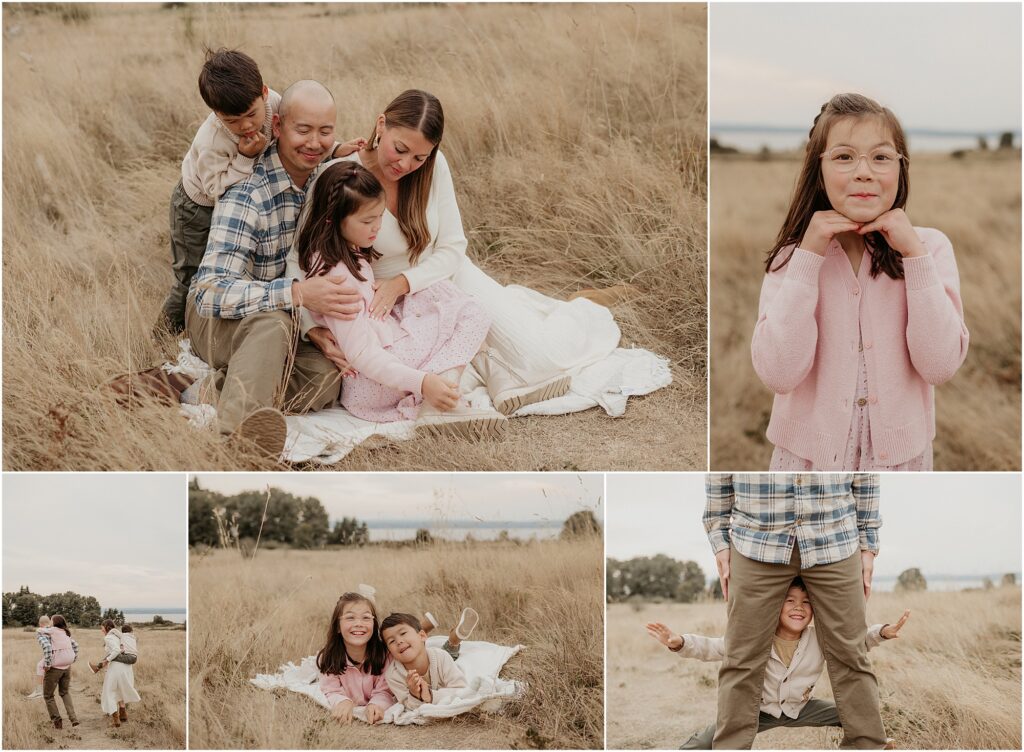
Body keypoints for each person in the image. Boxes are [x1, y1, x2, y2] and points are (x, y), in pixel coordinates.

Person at [289, 89, 623, 419]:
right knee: (414, 363)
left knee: (542, 360)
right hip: (391, 305)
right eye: (400, 149)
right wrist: (310, 328)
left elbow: (452, 248)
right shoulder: (341, 176)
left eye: (419, 157)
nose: (405, 164)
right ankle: (476, 369)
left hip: (444, 275)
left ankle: (559, 319)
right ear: (381, 126)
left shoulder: (435, 167)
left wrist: (403, 282)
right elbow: (299, 257)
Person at [751, 93, 969, 471]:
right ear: (818, 171)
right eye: (844, 157)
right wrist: (809, 255)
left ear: (901, 169)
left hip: (900, 465)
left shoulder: (929, 249)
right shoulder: (794, 258)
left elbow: (940, 366)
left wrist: (914, 255)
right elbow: (778, 374)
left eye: (881, 157)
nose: (864, 172)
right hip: (806, 466)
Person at [186, 80, 365, 457]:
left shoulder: (323, 180)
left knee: (327, 378)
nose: (314, 143)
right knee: (273, 322)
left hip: (281, 318)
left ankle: (204, 390)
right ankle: (237, 447)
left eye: (325, 131)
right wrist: (297, 295)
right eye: (303, 130)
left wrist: (310, 325)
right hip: (215, 319)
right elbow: (209, 291)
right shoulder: (247, 191)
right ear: (279, 126)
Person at [160, 49, 362, 334]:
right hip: (197, 203)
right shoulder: (212, 139)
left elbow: (298, 130)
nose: (245, 126)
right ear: (216, 114)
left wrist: (335, 149)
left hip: (235, 189)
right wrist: (245, 157)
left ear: (264, 93)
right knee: (190, 276)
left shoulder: (276, 104)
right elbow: (216, 188)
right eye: (232, 121)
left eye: (251, 115)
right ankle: (167, 333)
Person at [294, 161, 502, 437]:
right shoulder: (339, 281)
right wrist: (422, 382)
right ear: (333, 218)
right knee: (473, 313)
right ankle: (439, 397)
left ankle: (443, 391)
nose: (377, 227)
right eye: (367, 221)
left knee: (434, 294)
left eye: (380, 216)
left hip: (376, 371)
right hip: (373, 382)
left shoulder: (334, 254)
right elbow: (363, 354)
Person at [704, 473, 885, 749]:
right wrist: (719, 540)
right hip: (757, 542)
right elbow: (719, 472)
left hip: (835, 541)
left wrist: (868, 545)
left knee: (851, 653)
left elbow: (866, 471)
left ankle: (868, 746)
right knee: (741, 657)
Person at [647, 578, 910, 748]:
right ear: (775, 606)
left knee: (855, 713)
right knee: (704, 742)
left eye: (806, 602)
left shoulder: (821, 638)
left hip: (802, 707)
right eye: (790, 601)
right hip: (756, 710)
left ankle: (877, 745)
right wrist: (679, 642)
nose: (799, 607)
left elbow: (855, 642)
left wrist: (882, 632)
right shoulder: (755, 638)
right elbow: (712, 647)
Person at [316, 592, 396, 725]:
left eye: (366, 617)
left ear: (374, 624)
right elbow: (331, 690)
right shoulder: (329, 657)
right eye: (350, 618)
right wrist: (343, 701)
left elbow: (385, 690)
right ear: (338, 627)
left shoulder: (385, 655)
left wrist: (376, 704)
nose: (359, 623)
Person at [380, 612, 468, 709]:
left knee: (456, 658)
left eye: (403, 633)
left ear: (422, 635)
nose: (398, 641)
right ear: (390, 652)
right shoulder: (393, 676)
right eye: (391, 641)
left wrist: (431, 696)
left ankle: (454, 640)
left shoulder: (442, 657)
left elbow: (461, 690)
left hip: (442, 657)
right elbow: (407, 706)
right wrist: (414, 695)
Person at [97, 620, 140, 727]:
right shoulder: (121, 636)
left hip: (116, 667)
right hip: (127, 667)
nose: (101, 630)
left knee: (109, 692)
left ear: (106, 627)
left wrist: (106, 660)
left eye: (102, 627)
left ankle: (116, 719)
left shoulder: (109, 637)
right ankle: (123, 714)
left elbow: (116, 650)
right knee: (121, 690)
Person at [40, 614, 80, 730]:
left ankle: (57, 721)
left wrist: (47, 664)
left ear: (54, 623)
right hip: (67, 667)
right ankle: (74, 718)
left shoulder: (52, 631)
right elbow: (76, 646)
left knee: (48, 695)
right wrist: (73, 658)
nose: (50, 623)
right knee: (65, 692)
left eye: (51, 621)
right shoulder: (65, 633)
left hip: (55, 668)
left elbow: (40, 632)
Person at [27, 614, 52, 699]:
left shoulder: (40, 631)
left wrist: (48, 663)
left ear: (40, 624)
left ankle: (39, 691)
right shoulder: (54, 629)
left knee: (40, 666)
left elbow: (47, 646)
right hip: (63, 655)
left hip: (52, 654)